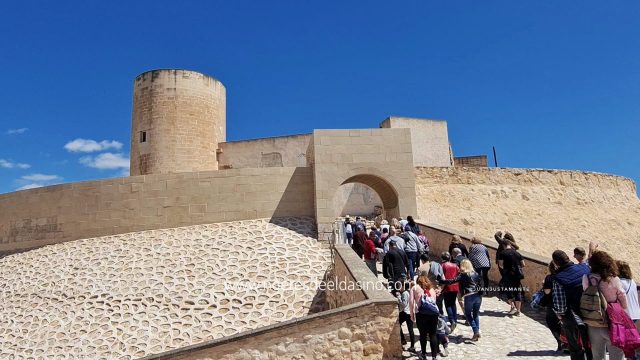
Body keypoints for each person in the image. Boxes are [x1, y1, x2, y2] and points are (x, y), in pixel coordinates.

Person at [583, 251, 627, 360]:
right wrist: (624, 310)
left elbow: (585, 292)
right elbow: (622, 295)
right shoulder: (614, 279)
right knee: (617, 355)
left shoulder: (586, 277)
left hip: (593, 320)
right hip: (613, 321)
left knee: (597, 356)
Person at [551, 250, 592, 360]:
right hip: (591, 312)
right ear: (568, 258)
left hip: (571, 316)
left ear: (555, 263)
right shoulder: (584, 268)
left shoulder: (558, 278)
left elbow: (560, 304)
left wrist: (560, 316)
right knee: (590, 345)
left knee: (575, 348)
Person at [439, 259, 483, 341]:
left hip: (469, 295)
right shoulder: (476, 274)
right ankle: (476, 332)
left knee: (468, 314)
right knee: (476, 314)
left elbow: (452, 281)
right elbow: (481, 284)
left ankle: (476, 331)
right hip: (478, 296)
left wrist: (441, 280)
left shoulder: (463, 275)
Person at [410, 275, 440, 360]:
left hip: (421, 314)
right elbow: (433, 302)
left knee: (423, 335)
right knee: (433, 335)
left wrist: (412, 314)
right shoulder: (432, 289)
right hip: (433, 314)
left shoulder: (415, 288)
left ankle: (423, 354)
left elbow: (411, 302)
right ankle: (434, 356)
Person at [616, 260, 640, 359]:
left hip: (627, 316)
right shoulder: (633, 282)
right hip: (637, 314)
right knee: (636, 342)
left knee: (628, 344)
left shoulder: (619, 283)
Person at [498, 238, 524, 316]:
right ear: (510, 244)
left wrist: (506, 269)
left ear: (503, 245)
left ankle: (512, 306)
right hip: (517, 275)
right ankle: (518, 311)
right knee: (517, 291)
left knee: (508, 290)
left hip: (507, 274)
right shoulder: (517, 253)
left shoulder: (502, 253)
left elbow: (501, 265)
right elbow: (523, 264)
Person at [542, 261, 564, 352]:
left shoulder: (549, 278)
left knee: (551, 323)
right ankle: (565, 343)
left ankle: (560, 342)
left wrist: (543, 285)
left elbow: (547, 292)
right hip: (565, 304)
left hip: (552, 305)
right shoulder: (564, 276)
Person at [441, 251, 460, 331]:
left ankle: (452, 320)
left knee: (448, 304)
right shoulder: (455, 265)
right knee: (453, 303)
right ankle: (455, 320)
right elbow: (459, 275)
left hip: (447, 287)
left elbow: (441, 277)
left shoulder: (442, 265)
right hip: (455, 287)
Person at [395, 282, 416, 352]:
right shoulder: (408, 292)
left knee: (397, 324)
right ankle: (412, 346)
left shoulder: (404, 294)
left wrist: (398, 297)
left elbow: (403, 304)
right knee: (410, 330)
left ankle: (403, 340)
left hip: (405, 313)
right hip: (410, 312)